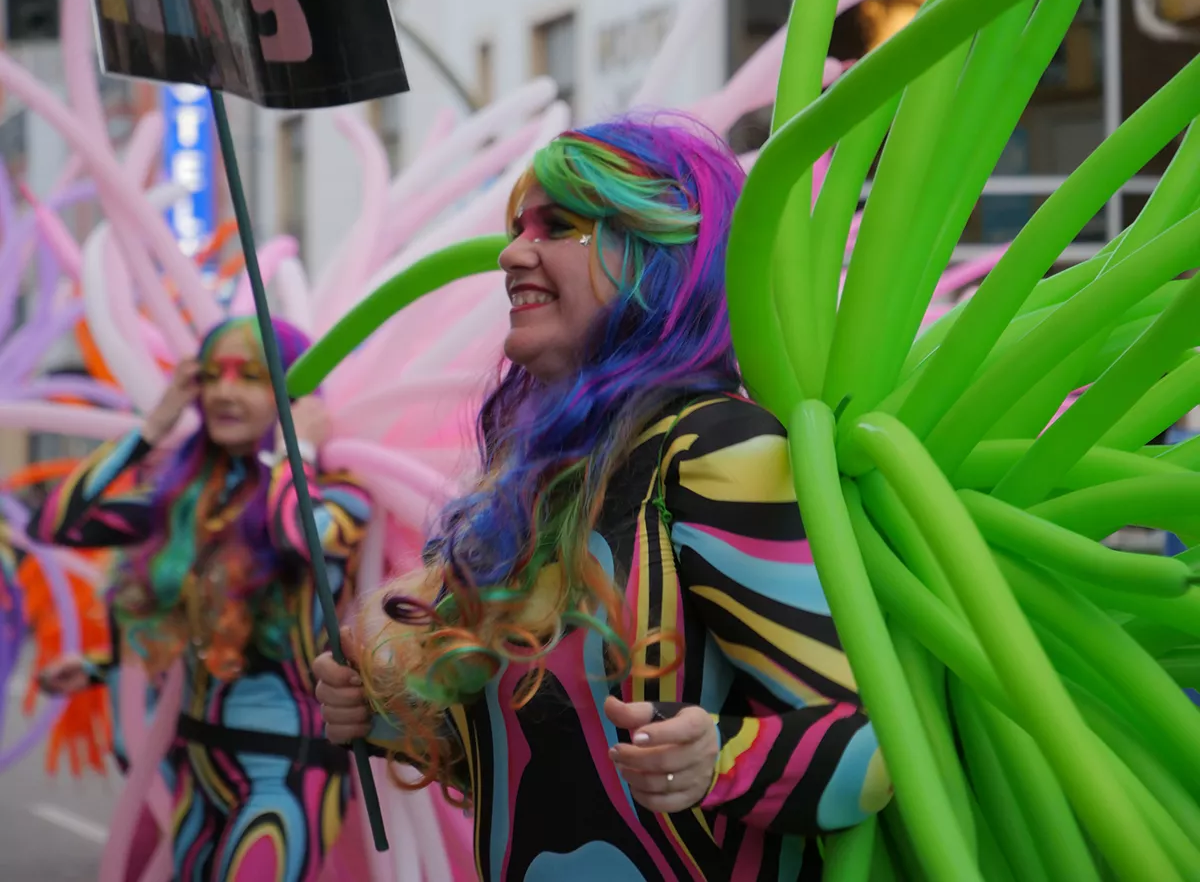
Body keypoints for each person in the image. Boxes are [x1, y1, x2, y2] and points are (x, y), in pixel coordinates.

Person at [315, 114, 893, 880]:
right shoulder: (525, 486)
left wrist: (719, 758)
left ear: (659, 262)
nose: (513, 252)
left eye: (558, 226)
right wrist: (384, 712)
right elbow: (537, 750)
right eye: (519, 227)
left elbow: (871, 742)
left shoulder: (720, 453)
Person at [33, 316, 371, 882]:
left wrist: (299, 448)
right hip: (193, 771)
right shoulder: (186, 505)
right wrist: (154, 425)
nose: (224, 391)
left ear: (296, 393)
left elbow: (296, 535)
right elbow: (61, 523)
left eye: (252, 377)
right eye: (212, 375)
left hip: (286, 775)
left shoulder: (343, 499)